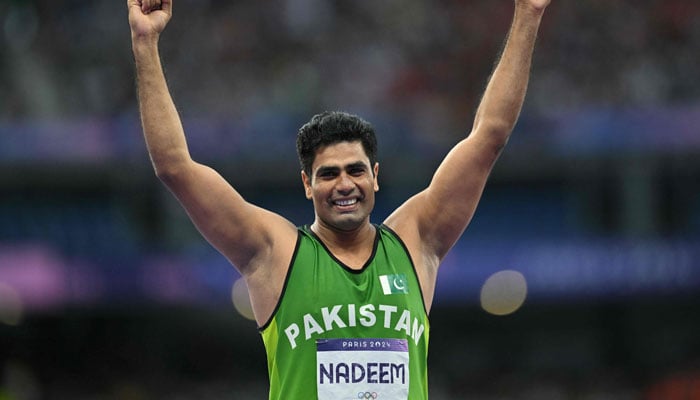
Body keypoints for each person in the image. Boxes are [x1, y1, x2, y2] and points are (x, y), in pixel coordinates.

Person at [127, 0, 552, 398]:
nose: (344, 184)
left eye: (355, 170)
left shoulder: (415, 240)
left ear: (376, 177)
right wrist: (145, 43)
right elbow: (175, 167)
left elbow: (489, 136)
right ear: (307, 184)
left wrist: (527, 13)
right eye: (328, 174)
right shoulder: (275, 252)